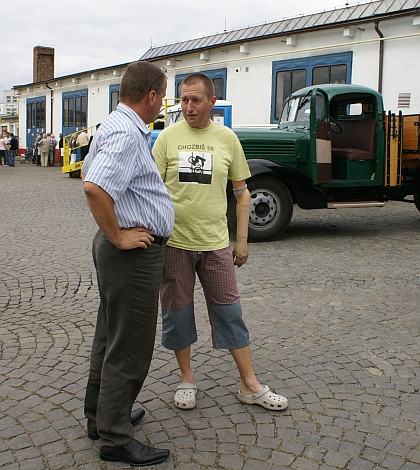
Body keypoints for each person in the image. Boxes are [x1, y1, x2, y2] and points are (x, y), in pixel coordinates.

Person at [153, 73, 289, 412]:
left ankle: (249, 384)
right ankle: (186, 379)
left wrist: (241, 241)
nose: (188, 107)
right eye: (183, 100)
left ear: (212, 101)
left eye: (196, 100)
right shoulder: (167, 139)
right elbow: (150, 192)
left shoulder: (227, 138)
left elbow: (243, 194)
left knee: (230, 311)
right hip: (175, 245)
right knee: (178, 312)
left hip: (215, 245)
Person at [81, 60, 174, 467]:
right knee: (130, 346)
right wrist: (119, 235)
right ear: (151, 95)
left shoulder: (114, 126)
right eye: (163, 97)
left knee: (110, 336)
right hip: (131, 253)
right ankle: (115, 437)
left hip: (122, 251)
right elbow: (94, 185)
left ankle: (101, 418)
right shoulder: (125, 132)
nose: (162, 105)